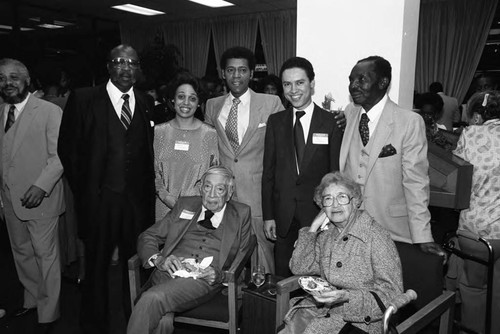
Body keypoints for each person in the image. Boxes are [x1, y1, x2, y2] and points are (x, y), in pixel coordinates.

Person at [58, 44, 155, 334]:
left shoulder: (145, 101)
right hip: (99, 202)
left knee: (134, 267)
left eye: (132, 63)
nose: (126, 68)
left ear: (138, 69)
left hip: (136, 205)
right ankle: (94, 325)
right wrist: (89, 190)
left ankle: (135, 321)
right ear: (108, 66)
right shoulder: (84, 99)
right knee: (97, 269)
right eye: (119, 62)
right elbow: (68, 150)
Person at [340, 56, 446, 260]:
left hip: (391, 230)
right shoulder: (350, 113)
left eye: (361, 79)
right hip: (350, 228)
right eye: (351, 79)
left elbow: (416, 182)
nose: (353, 86)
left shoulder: (409, 122)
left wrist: (423, 235)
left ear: (383, 83)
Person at [127, 166, 252, 334]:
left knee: (151, 298)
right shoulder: (185, 205)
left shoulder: (241, 214)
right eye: (207, 186)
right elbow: (148, 236)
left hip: (201, 280)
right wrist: (159, 260)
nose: (212, 194)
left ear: (229, 193)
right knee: (162, 321)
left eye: (220, 189)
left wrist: (219, 275)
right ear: (201, 188)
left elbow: (242, 261)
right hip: (167, 273)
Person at [280, 172, 403, 334]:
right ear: (322, 207)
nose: (335, 205)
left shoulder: (376, 236)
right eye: (328, 199)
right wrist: (313, 228)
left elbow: (392, 294)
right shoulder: (327, 234)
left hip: (361, 323)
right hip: (323, 312)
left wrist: (347, 297)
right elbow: (299, 267)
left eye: (342, 197)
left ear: (355, 201)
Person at [204, 46, 284, 274]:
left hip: (257, 194)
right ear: (223, 73)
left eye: (242, 70)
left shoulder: (271, 103)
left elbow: (282, 149)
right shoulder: (212, 105)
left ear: (251, 73)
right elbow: (208, 146)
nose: (236, 76)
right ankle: (231, 302)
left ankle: (264, 304)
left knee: (263, 257)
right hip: (224, 195)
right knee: (225, 253)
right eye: (230, 70)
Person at [262, 56, 343, 277]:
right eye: (287, 84)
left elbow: (334, 174)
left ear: (312, 84)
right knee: (283, 279)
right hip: (283, 217)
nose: (293, 90)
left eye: (300, 83)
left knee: (315, 279)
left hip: (317, 215)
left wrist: (330, 213)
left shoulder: (330, 122)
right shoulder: (275, 122)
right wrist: (268, 215)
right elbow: (268, 172)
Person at [0, 58, 65, 333]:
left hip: (41, 198)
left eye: (14, 77)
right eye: (2, 78)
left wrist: (41, 186)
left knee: (44, 254)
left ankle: (49, 312)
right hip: (9, 200)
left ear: (27, 81)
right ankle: (32, 299)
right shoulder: (0, 111)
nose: (8, 83)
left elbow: (59, 156)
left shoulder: (49, 111)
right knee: (22, 253)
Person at [452, 90, 500, 334]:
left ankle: (472, 331)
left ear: (478, 115)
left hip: (476, 230)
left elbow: (456, 177)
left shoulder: (471, 135)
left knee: (473, 287)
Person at [154, 72, 219, 221]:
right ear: (173, 99)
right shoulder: (158, 132)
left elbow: (212, 173)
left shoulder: (210, 134)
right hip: (164, 209)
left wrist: (191, 200)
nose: (186, 103)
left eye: (192, 98)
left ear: (198, 103)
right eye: (181, 96)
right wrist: (167, 197)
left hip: (197, 208)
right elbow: (153, 172)